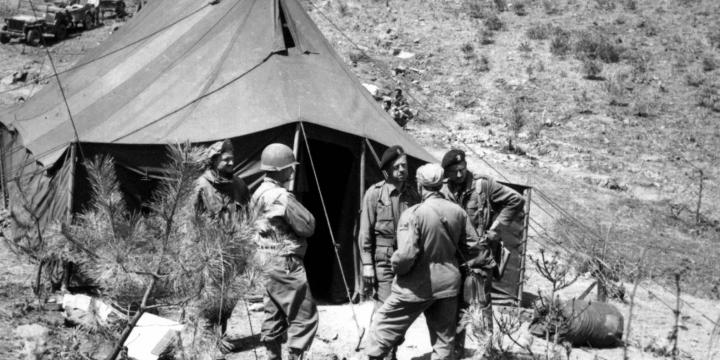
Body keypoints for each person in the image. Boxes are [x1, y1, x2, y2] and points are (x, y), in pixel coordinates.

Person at [366, 163, 479, 360]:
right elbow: (473, 245)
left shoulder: (413, 213)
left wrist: (396, 266)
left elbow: (406, 256)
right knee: (444, 343)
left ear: (420, 185)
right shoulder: (458, 212)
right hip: (448, 285)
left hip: (415, 286)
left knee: (382, 328)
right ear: (441, 183)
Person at [440, 149, 525, 356]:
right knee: (454, 307)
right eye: (454, 171)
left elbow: (516, 200)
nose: (459, 175)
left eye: (462, 169)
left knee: (482, 305)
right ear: (446, 172)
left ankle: (486, 352)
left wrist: (495, 229)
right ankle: (456, 350)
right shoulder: (442, 191)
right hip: (452, 259)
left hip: (478, 259)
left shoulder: (483, 185)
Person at [251, 143, 317, 360]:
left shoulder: (258, 192)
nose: (292, 171)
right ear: (281, 169)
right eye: (290, 167)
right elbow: (307, 226)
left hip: (264, 260)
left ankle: (272, 356)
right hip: (285, 261)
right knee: (304, 315)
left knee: (274, 313)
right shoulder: (282, 196)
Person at [193, 139, 249, 223]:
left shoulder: (239, 184)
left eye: (232, 159)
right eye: (226, 159)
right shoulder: (200, 185)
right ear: (214, 161)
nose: (231, 163)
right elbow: (191, 220)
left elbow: (249, 216)